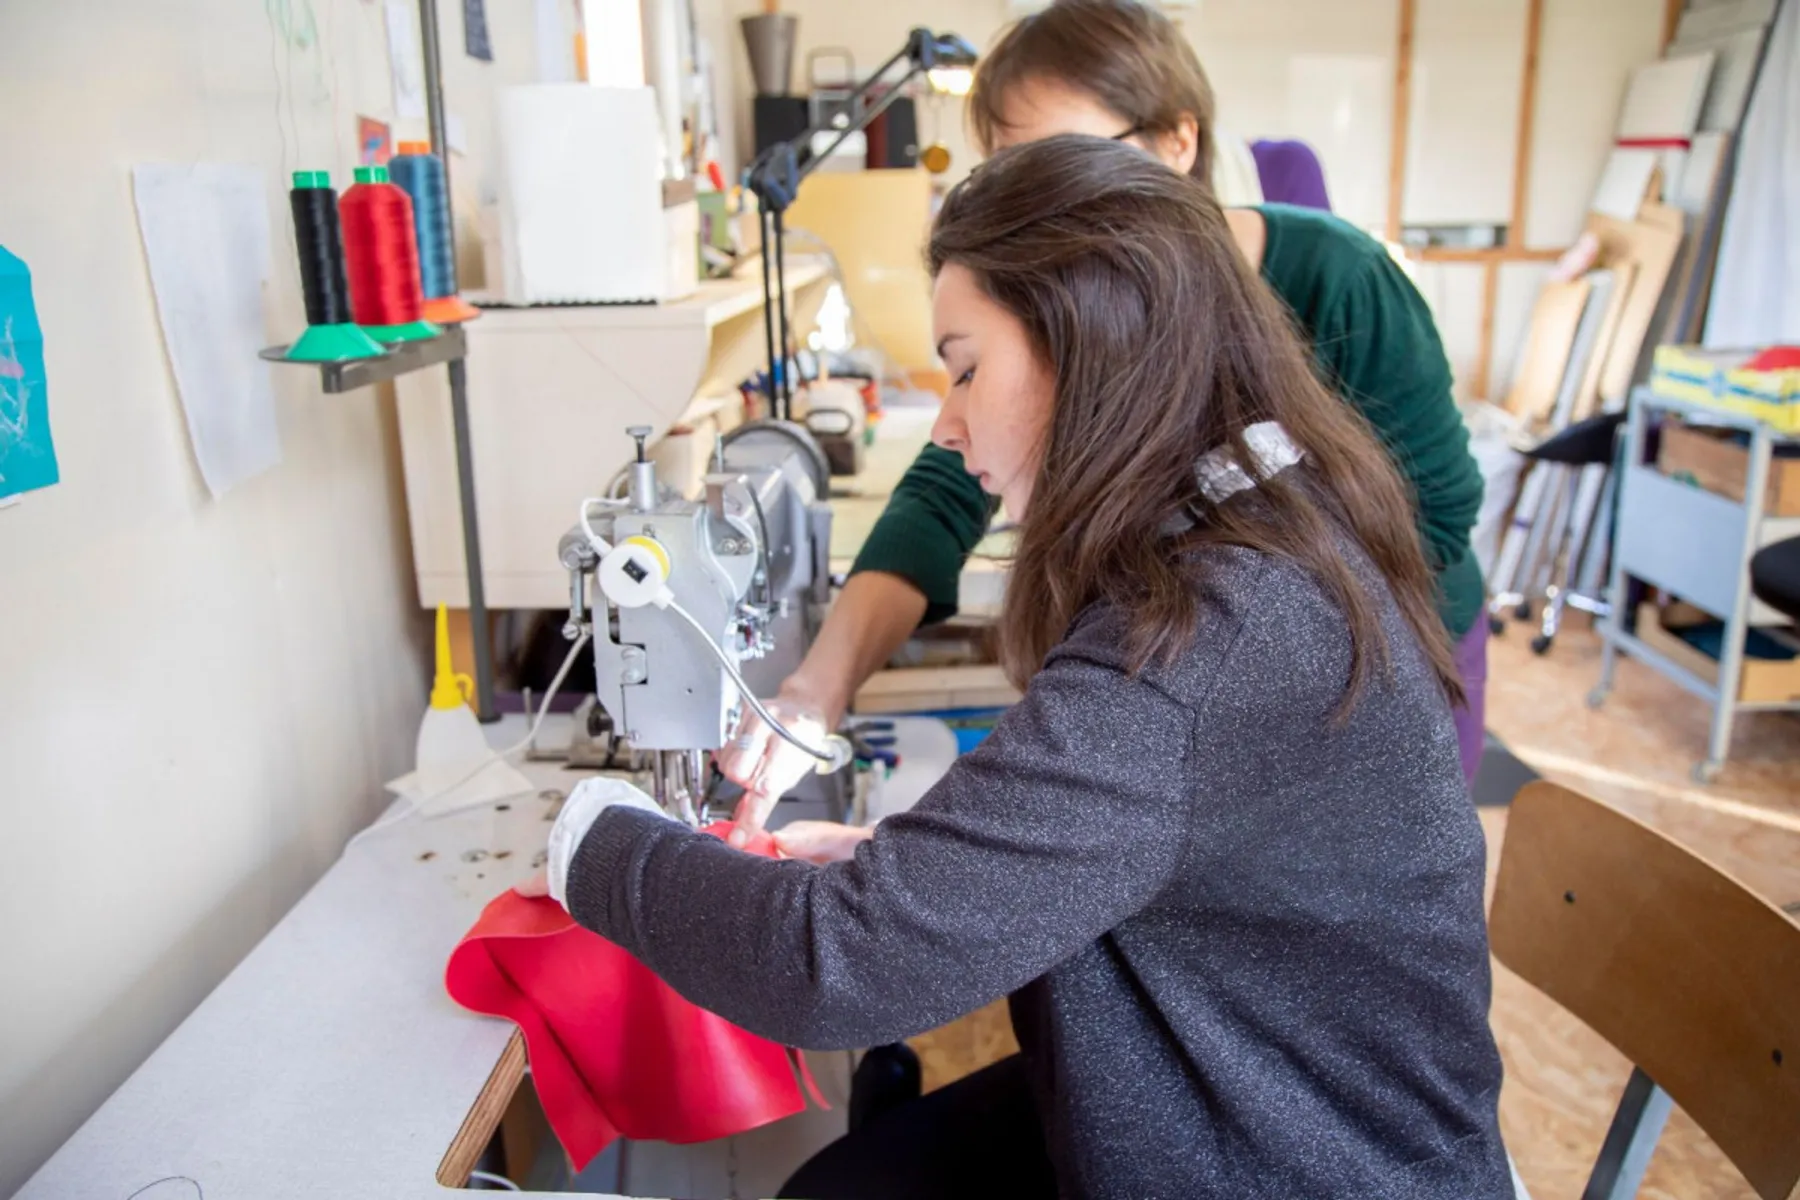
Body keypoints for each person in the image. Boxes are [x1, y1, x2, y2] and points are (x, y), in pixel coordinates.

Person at [527, 136, 1510, 1199]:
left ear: (1093, 343)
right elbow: (1181, 840)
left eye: (964, 367)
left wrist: (587, 835)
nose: (945, 425)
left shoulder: (1200, 641)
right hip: (1243, 1085)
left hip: (1304, 1163)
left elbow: (828, 965)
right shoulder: (1250, 519)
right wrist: (940, 869)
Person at [723, 0, 1488, 843]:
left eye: (1063, 162)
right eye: (1012, 173)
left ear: (1176, 143)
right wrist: (813, 694)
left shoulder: (1337, 279)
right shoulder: (1068, 329)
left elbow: (1432, 521)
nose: (1035, 212)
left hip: (1379, 671)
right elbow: (943, 496)